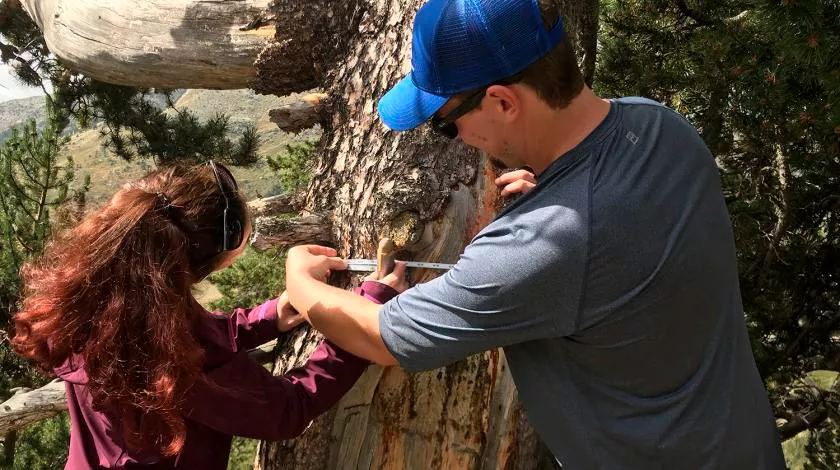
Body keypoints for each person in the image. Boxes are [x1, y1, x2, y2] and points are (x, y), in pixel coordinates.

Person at [281, 0, 786, 468]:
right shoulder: (660, 125)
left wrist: (301, 282)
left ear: (502, 101)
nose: (455, 141)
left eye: (444, 125)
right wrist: (549, 198)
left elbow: (384, 336)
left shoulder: (544, 245)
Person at [12, 162, 401, 469]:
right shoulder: (174, 356)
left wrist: (268, 317)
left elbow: (184, 332)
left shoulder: (88, 303)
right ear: (210, 259)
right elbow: (288, 408)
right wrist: (359, 316)